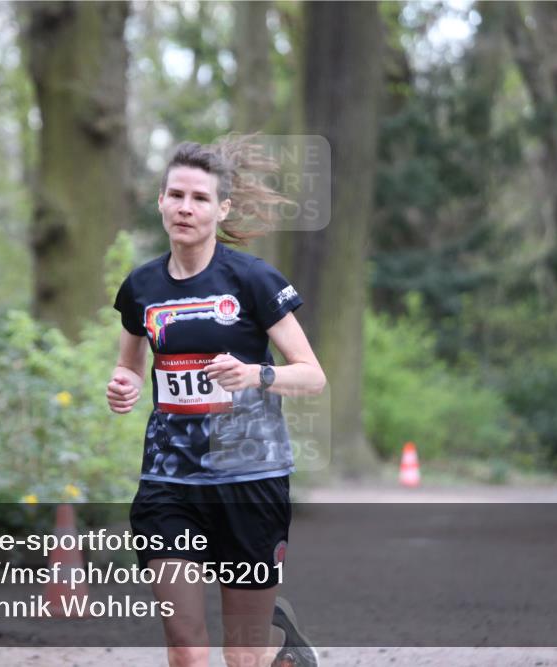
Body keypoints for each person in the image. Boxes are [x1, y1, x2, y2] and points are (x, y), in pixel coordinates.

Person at [108, 138, 326, 667]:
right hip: (169, 482)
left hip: (250, 478)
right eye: (176, 195)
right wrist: (123, 384)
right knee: (185, 643)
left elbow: (312, 375)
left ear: (221, 209)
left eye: (200, 198)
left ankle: (279, 648)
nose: (186, 207)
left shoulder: (251, 279)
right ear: (160, 201)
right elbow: (129, 364)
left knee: (241, 653)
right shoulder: (142, 287)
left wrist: (256, 373)